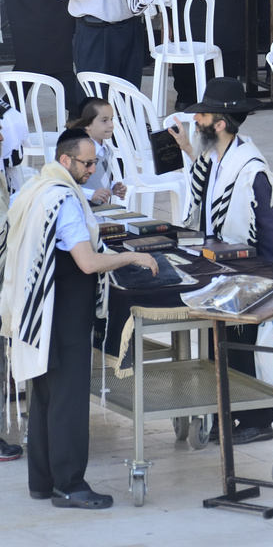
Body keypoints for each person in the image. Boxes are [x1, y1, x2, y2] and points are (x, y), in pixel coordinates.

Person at [0, 130, 158, 508]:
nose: (92, 170)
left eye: (95, 163)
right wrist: (132, 257)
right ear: (66, 160)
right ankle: (69, 485)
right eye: (87, 164)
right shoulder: (64, 200)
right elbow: (87, 262)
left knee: (44, 395)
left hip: (32, 308)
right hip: (63, 309)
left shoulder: (34, 187)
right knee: (69, 398)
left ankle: (43, 481)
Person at [168, 77, 273, 444]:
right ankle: (224, 415)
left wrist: (261, 282)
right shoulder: (218, 156)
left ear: (220, 122)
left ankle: (256, 420)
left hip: (246, 274)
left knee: (238, 349)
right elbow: (206, 181)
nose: (195, 120)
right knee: (219, 348)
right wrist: (186, 145)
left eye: (201, 115)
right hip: (219, 267)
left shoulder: (251, 170)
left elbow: (268, 230)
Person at [63, 98, 126, 206]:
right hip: (80, 213)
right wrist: (91, 194)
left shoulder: (107, 151)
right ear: (87, 124)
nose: (111, 125)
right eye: (104, 120)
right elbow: (67, 185)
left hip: (101, 214)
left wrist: (113, 187)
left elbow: (97, 182)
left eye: (111, 119)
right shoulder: (78, 153)